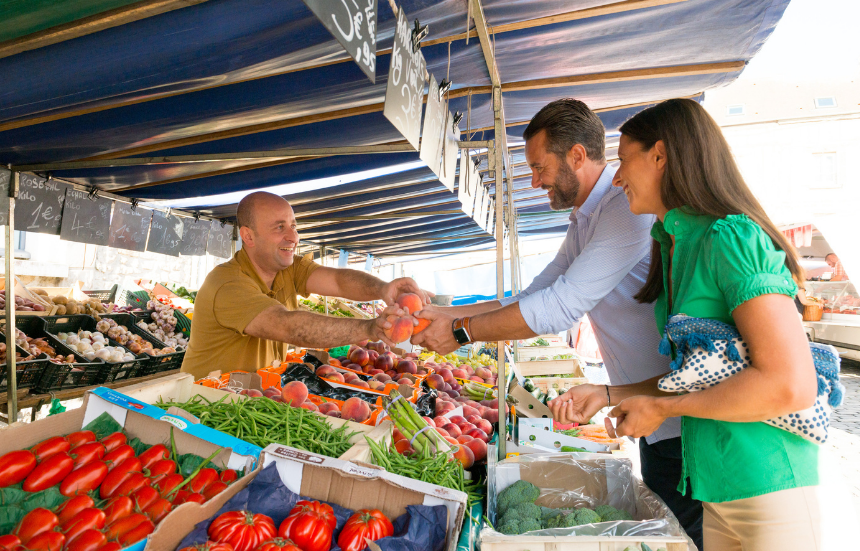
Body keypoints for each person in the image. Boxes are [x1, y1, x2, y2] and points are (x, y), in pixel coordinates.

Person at [412, 98, 703, 548]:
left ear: (577, 157)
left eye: (538, 166)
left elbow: (560, 307)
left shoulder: (626, 210)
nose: (534, 181)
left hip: (681, 420)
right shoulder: (588, 217)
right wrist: (447, 313)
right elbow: (534, 295)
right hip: (650, 409)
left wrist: (462, 332)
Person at [607, 98, 827, 550]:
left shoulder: (731, 238)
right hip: (716, 492)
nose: (617, 177)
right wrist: (609, 394)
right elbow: (700, 377)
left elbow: (790, 384)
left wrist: (664, 409)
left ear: (660, 155)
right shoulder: (673, 246)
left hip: (769, 487)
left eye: (622, 159)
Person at [181, 191, 427, 379]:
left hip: (250, 395)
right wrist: (371, 328)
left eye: (293, 226)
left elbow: (338, 282)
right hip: (204, 404)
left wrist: (383, 289)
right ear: (248, 236)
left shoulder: (288, 267)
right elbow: (289, 327)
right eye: (280, 227)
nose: (293, 237)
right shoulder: (228, 284)